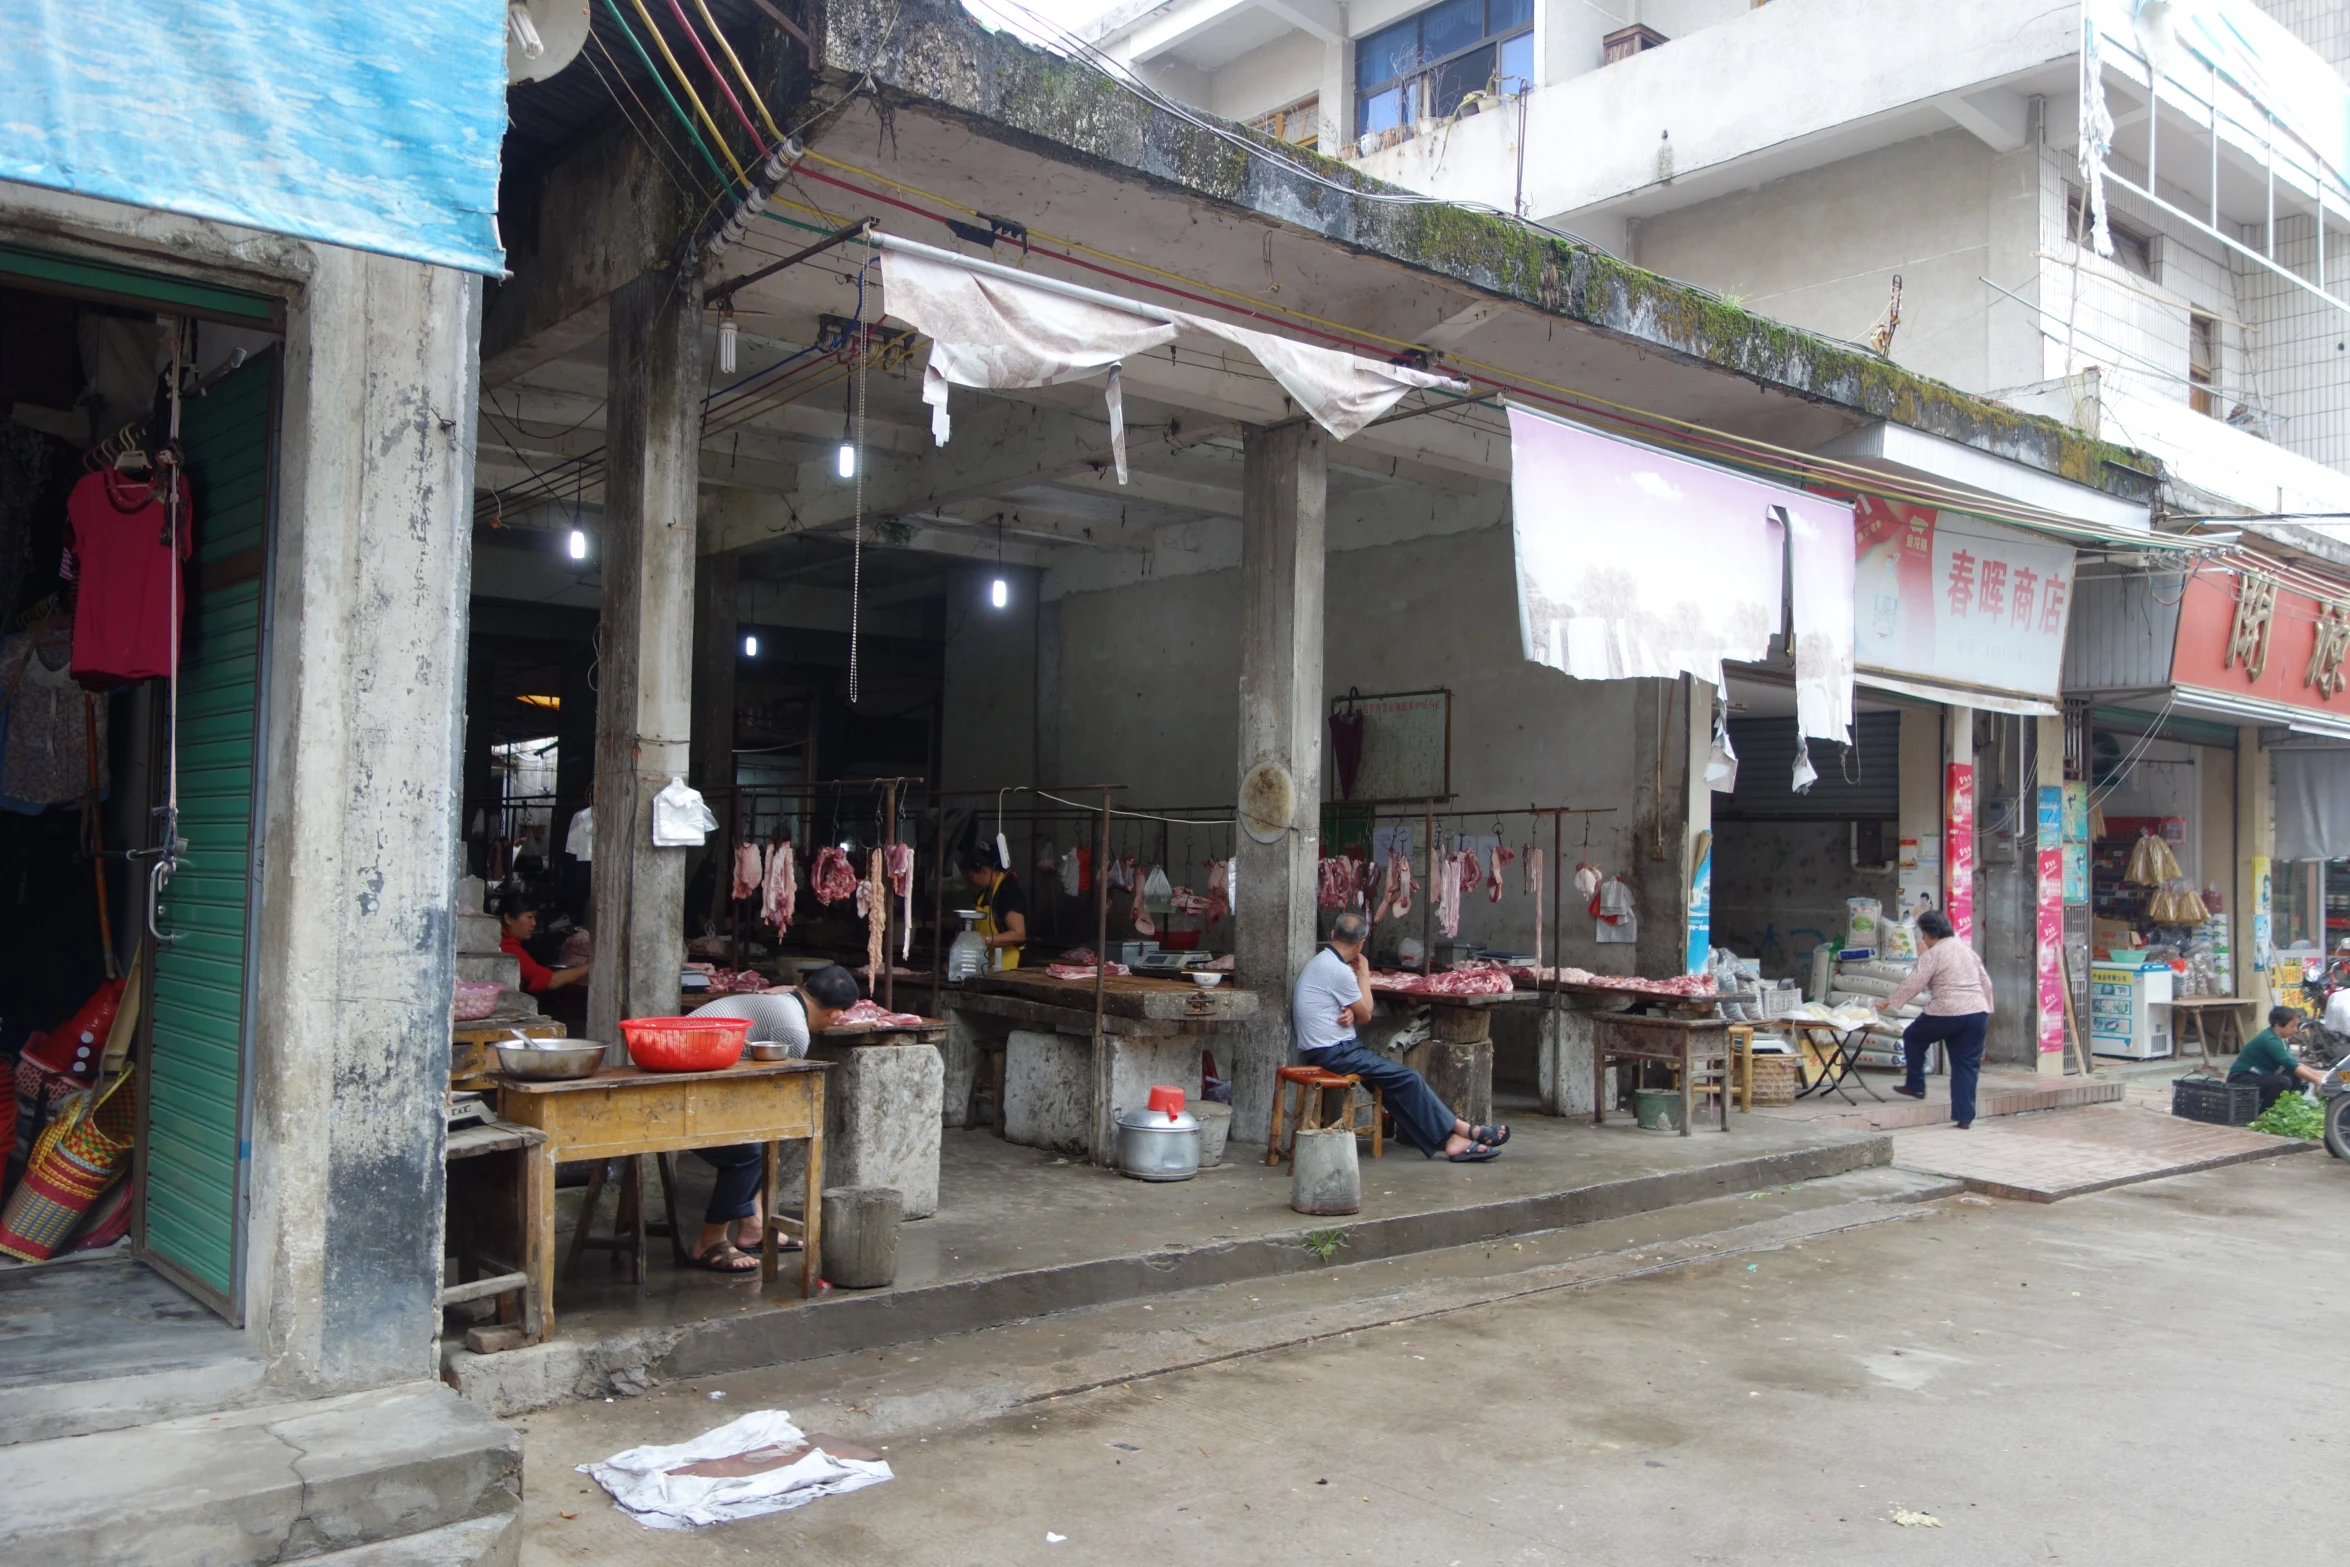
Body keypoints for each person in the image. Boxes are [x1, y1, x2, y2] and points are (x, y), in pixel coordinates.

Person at [679, 964, 862, 1273]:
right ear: (835, 1014)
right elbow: (770, 1102)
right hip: (683, 1091)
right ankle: (709, 1241)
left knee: (760, 1143)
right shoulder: (793, 1030)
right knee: (746, 1154)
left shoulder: (783, 1003)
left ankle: (753, 1227)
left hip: (693, 1078)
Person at [1291, 911, 1508, 1161]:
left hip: (1330, 1047)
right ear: (1361, 943)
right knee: (1409, 1077)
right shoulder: (1338, 970)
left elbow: (1348, 1008)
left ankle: (1454, 1136)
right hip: (1336, 1052)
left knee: (1392, 1085)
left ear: (1332, 935)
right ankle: (1462, 1132)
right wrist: (1363, 972)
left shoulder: (1321, 961)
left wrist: (1352, 1009)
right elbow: (1367, 1014)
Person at [1872, 909, 1991, 1129]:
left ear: (1931, 934)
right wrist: (1987, 1010)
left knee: (1913, 1036)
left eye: (1923, 935)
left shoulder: (1934, 953)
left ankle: (1916, 1084)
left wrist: (1888, 1002)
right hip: (1977, 1012)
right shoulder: (1967, 951)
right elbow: (1986, 983)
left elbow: (1914, 983)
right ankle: (1964, 1117)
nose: (1923, 940)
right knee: (1966, 1066)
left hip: (1947, 1011)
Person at [2229, 1006, 2328, 1110]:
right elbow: (2291, 1064)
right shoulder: (2269, 1040)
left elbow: (2293, 1063)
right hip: (2240, 1079)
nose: (2295, 1030)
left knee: (2294, 1075)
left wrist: (2317, 1074)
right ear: (2278, 1025)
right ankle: (2264, 1113)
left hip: (2257, 1075)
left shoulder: (2278, 1038)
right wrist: (2316, 1080)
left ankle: (2288, 1107)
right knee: (2282, 1082)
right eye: (2292, 1026)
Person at [497, 894, 589, 993]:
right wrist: (589, 966)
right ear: (509, 919)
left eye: (534, 918)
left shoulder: (505, 942)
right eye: (529, 917)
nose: (534, 923)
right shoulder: (508, 949)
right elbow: (552, 981)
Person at [965, 843, 1029, 971]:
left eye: (972, 876)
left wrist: (985, 939)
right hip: (992, 962)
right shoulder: (986, 893)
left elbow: (1018, 934)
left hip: (1012, 966)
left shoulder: (1009, 892)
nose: (970, 879)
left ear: (983, 871)